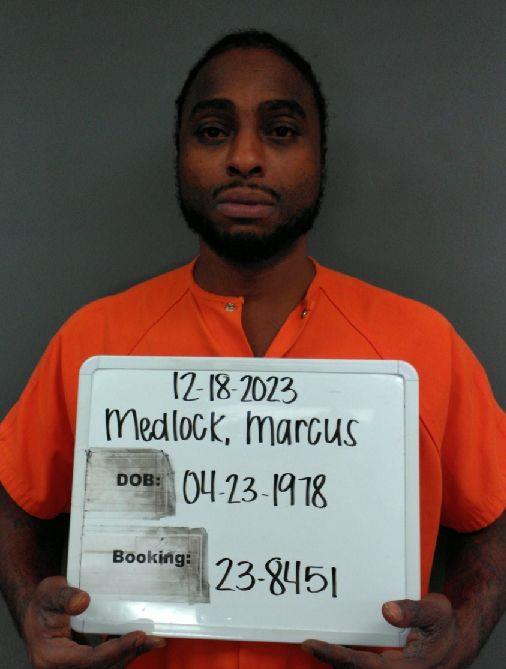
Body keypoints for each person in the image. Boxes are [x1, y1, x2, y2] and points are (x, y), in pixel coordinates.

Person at [0, 29, 504, 669]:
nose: (244, 158)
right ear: (180, 153)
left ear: (321, 156)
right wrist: (31, 611)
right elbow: (13, 499)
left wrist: (463, 632)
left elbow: (495, 514)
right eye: (213, 131)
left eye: (281, 131)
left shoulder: (423, 343)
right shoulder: (93, 340)